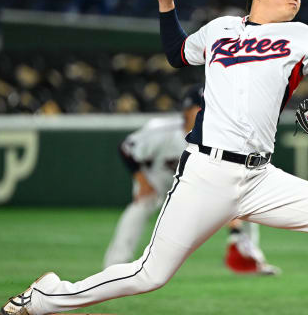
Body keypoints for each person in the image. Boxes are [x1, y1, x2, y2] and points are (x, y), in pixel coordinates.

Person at [0, 0, 308, 315]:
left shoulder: (302, 37)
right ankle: (46, 296)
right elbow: (177, 52)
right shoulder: (219, 29)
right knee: (149, 274)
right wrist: (167, 3)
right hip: (207, 173)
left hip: (260, 178)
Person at [104, 84, 280, 275]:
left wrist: (233, 220)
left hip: (198, 183)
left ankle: (249, 261)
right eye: (201, 107)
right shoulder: (161, 130)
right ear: (187, 110)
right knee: (142, 205)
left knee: (245, 204)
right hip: (159, 180)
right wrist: (143, 182)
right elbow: (126, 149)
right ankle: (115, 264)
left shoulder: (222, 138)